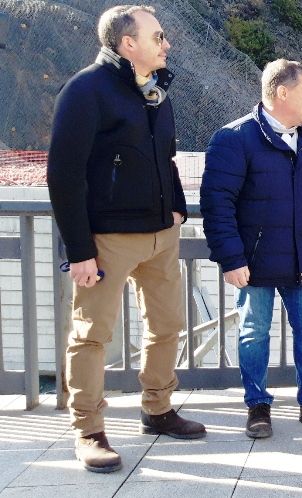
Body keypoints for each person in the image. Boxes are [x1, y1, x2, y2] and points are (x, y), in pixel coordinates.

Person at [46, 4, 206, 473]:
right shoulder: (84, 91)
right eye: (158, 37)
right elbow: (64, 175)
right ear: (127, 43)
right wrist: (79, 250)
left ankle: (157, 409)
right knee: (92, 335)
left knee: (168, 324)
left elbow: (168, 158)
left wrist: (175, 207)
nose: (166, 43)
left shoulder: (155, 91)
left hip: (160, 232)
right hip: (109, 237)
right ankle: (89, 430)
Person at [201, 59, 302, 439]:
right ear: (282, 93)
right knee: (253, 332)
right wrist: (231, 259)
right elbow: (218, 205)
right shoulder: (234, 139)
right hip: (254, 263)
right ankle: (257, 406)